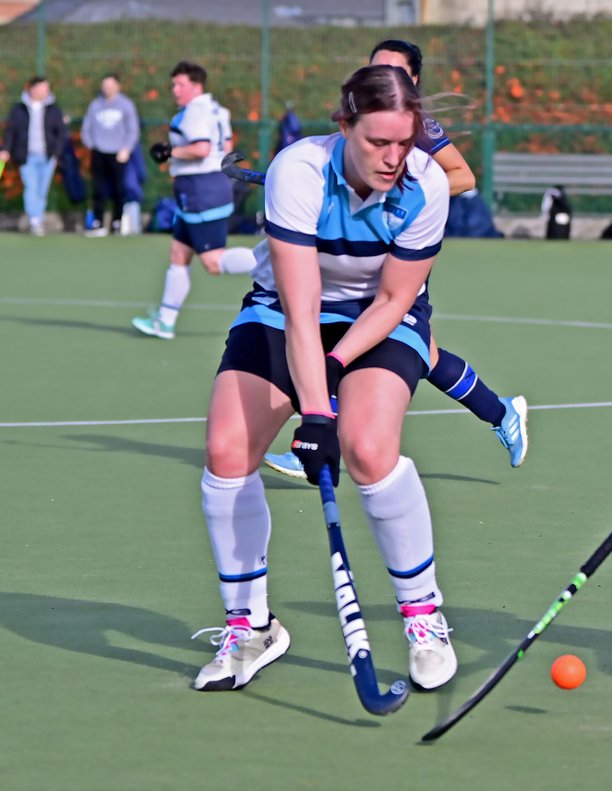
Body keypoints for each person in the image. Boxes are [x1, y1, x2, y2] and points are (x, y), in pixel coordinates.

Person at [192, 64, 459, 693]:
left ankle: (423, 614)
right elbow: (299, 305)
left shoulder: (427, 185)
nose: (395, 157)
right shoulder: (298, 172)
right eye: (378, 143)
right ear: (344, 126)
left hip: (380, 318)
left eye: (405, 141)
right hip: (289, 309)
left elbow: (394, 300)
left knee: (368, 446)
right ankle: (251, 626)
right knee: (228, 449)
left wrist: (334, 378)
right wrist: (315, 412)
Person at [263, 38, 528, 478]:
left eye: (397, 72)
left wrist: (407, 201)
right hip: (352, 259)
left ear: (415, 83)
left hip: (396, 255)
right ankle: (500, 412)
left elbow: (461, 176)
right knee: (421, 354)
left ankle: (320, 429)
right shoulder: (359, 123)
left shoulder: (420, 130)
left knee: (386, 346)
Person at [131, 61, 257, 340]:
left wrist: (170, 152)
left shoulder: (194, 112)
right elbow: (223, 147)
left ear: (196, 85)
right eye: (173, 84)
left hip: (202, 191)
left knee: (212, 262)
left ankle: (276, 259)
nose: (174, 89)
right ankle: (165, 321)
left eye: (180, 84)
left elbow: (201, 149)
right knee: (179, 254)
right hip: (202, 189)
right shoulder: (216, 109)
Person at [1, 76, 68, 236]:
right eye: (43, 87)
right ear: (32, 89)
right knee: (31, 187)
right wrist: (5, 149)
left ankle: (36, 216)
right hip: (26, 156)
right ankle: (35, 220)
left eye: (47, 88)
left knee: (41, 190)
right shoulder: (19, 109)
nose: (46, 91)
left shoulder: (54, 109)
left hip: (47, 156)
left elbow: (61, 133)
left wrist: (56, 153)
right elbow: (11, 132)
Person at [81, 73, 140, 237]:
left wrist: (126, 148)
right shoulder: (95, 104)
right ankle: (98, 222)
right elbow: (87, 127)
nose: (107, 89)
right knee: (98, 189)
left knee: (119, 189)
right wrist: (91, 145)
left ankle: (117, 222)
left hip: (118, 153)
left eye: (110, 85)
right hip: (99, 152)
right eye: (105, 85)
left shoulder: (126, 105)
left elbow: (132, 129)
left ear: (118, 86)